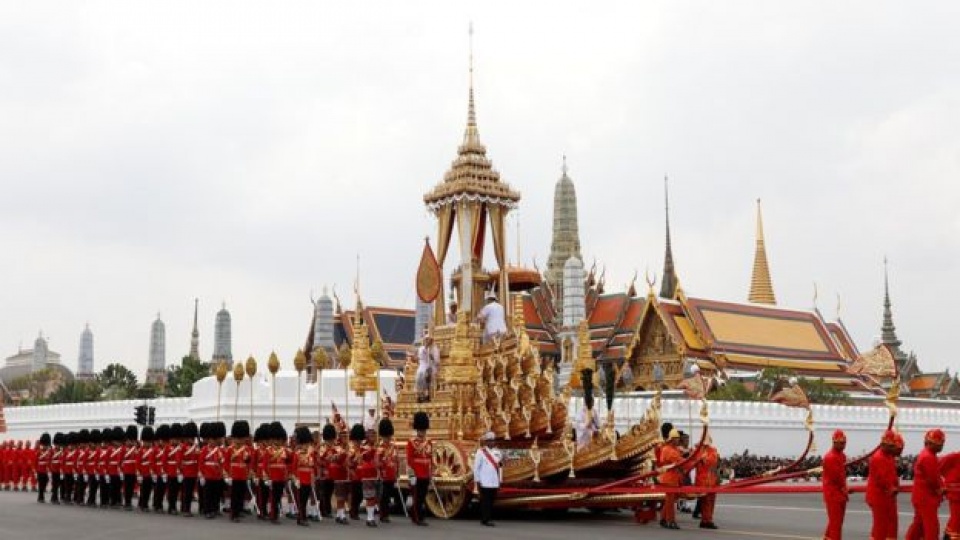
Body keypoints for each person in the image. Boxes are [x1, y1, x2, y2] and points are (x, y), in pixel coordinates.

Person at [906, 428, 946, 540]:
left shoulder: (926, 454)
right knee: (931, 527)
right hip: (926, 498)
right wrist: (941, 489)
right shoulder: (929, 457)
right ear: (932, 443)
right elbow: (933, 480)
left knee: (918, 525)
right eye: (941, 444)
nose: (942, 447)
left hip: (921, 497)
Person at [867, 430, 901, 540]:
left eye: (893, 446)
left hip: (886, 495)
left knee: (884, 525)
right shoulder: (878, 458)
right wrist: (891, 487)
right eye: (890, 446)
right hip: (878, 496)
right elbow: (881, 479)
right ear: (883, 444)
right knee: (880, 526)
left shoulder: (888, 456)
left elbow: (892, 474)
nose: (892, 448)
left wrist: (895, 484)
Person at [406, 411, 432, 526]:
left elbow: (430, 457)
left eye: (424, 430)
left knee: (422, 496)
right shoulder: (411, 442)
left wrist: (431, 472)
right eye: (421, 430)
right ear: (417, 430)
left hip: (425, 472)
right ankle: (417, 518)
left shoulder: (429, 442)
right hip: (416, 473)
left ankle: (414, 512)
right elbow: (410, 459)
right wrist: (412, 475)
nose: (423, 432)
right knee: (417, 497)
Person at [822, 429, 848, 540]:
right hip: (833, 493)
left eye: (844, 443)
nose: (843, 445)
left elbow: (841, 475)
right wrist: (844, 488)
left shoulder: (842, 456)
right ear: (834, 442)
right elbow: (836, 478)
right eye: (841, 443)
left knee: (836, 521)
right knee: (836, 524)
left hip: (840, 492)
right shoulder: (830, 457)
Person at [473, 431, 502, 527]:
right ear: (486, 442)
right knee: (486, 501)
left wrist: (500, 479)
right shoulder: (480, 452)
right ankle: (485, 519)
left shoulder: (498, 452)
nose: (492, 442)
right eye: (489, 440)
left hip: (494, 480)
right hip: (484, 481)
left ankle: (487, 518)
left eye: (493, 440)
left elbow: (500, 467)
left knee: (491, 501)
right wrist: (477, 480)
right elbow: (476, 467)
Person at [225, 421, 252, 522]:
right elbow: (226, 463)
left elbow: (249, 462)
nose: (240, 440)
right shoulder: (230, 449)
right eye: (238, 438)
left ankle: (239, 511)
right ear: (234, 438)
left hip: (243, 475)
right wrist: (227, 475)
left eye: (242, 438)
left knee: (241, 494)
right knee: (234, 495)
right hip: (234, 475)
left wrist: (249, 472)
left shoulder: (247, 449)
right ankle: (233, 514)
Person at [658, 428, 684, 530]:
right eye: (676, 438)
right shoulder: (667, 449)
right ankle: (670, 521)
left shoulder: (674, 449)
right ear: (672, 439)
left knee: (670, 501)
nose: (678, 440)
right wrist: (691, 461)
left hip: (674, 478)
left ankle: (663, 519)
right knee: (670, 501)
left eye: (678, 438)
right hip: (669, 479)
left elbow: (680, 461)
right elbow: (679, 461)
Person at [693, 435, 720, 530]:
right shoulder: (697, 450)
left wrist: (702, 458)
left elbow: (713, 461)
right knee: (706, 501)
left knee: (709, 501)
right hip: (704, 480)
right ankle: (707, 520)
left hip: (710, 479)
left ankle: (706, 520)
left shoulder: (711, 450)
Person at [376, 418, 400, 523]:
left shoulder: (393, 446)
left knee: (388, 494)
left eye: (389, 436)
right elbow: (377, 462)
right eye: (387, 436)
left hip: (391, 474)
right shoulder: (380, 447)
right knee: (384, 496)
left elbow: (397, 460)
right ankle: (383, 514)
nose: (388, 438)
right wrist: (382, 466)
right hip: (384, 474)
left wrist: (397, 473)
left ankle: (386, 514)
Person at [291, 426, 315, 526]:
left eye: (307, 443)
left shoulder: (311, 453)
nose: (306, 445)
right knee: (301, 500)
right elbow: (293, 468)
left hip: (308, 479)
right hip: (300, 479)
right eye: (305, 443)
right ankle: (301, 518)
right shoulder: (297, 454)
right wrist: (296, 479)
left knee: (305, 500)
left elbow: (313, 467)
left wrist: (313, 478)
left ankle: (302, 517)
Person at [940, 445, 960, 540]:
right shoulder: (955, 456)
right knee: (957, 518)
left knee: (955, 517)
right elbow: (940, 466)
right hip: (955, 493)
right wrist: (948, 479)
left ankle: (947, 536)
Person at [415, 336, 439, 402]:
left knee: (427, 375)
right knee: (420, 375)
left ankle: (427, 395)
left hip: (432, 367)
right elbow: (421, 357)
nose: (427, 342)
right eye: (426, 340)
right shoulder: (422, 348)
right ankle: (420, 395)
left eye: (428, 340)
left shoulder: (435, 349)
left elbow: (437, 362)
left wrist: (432, 358)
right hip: (424, 366)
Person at [35, 433, 51, 503]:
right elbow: (35, 462)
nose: (45, 446)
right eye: (44, 445)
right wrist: (35, 471)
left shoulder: (49, 452)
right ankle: (40, 497)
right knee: (41, 483)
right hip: (40, 469)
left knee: (46, 481)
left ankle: (41, 494)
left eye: (46, 445)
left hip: (46, 470)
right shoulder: (39, 452)